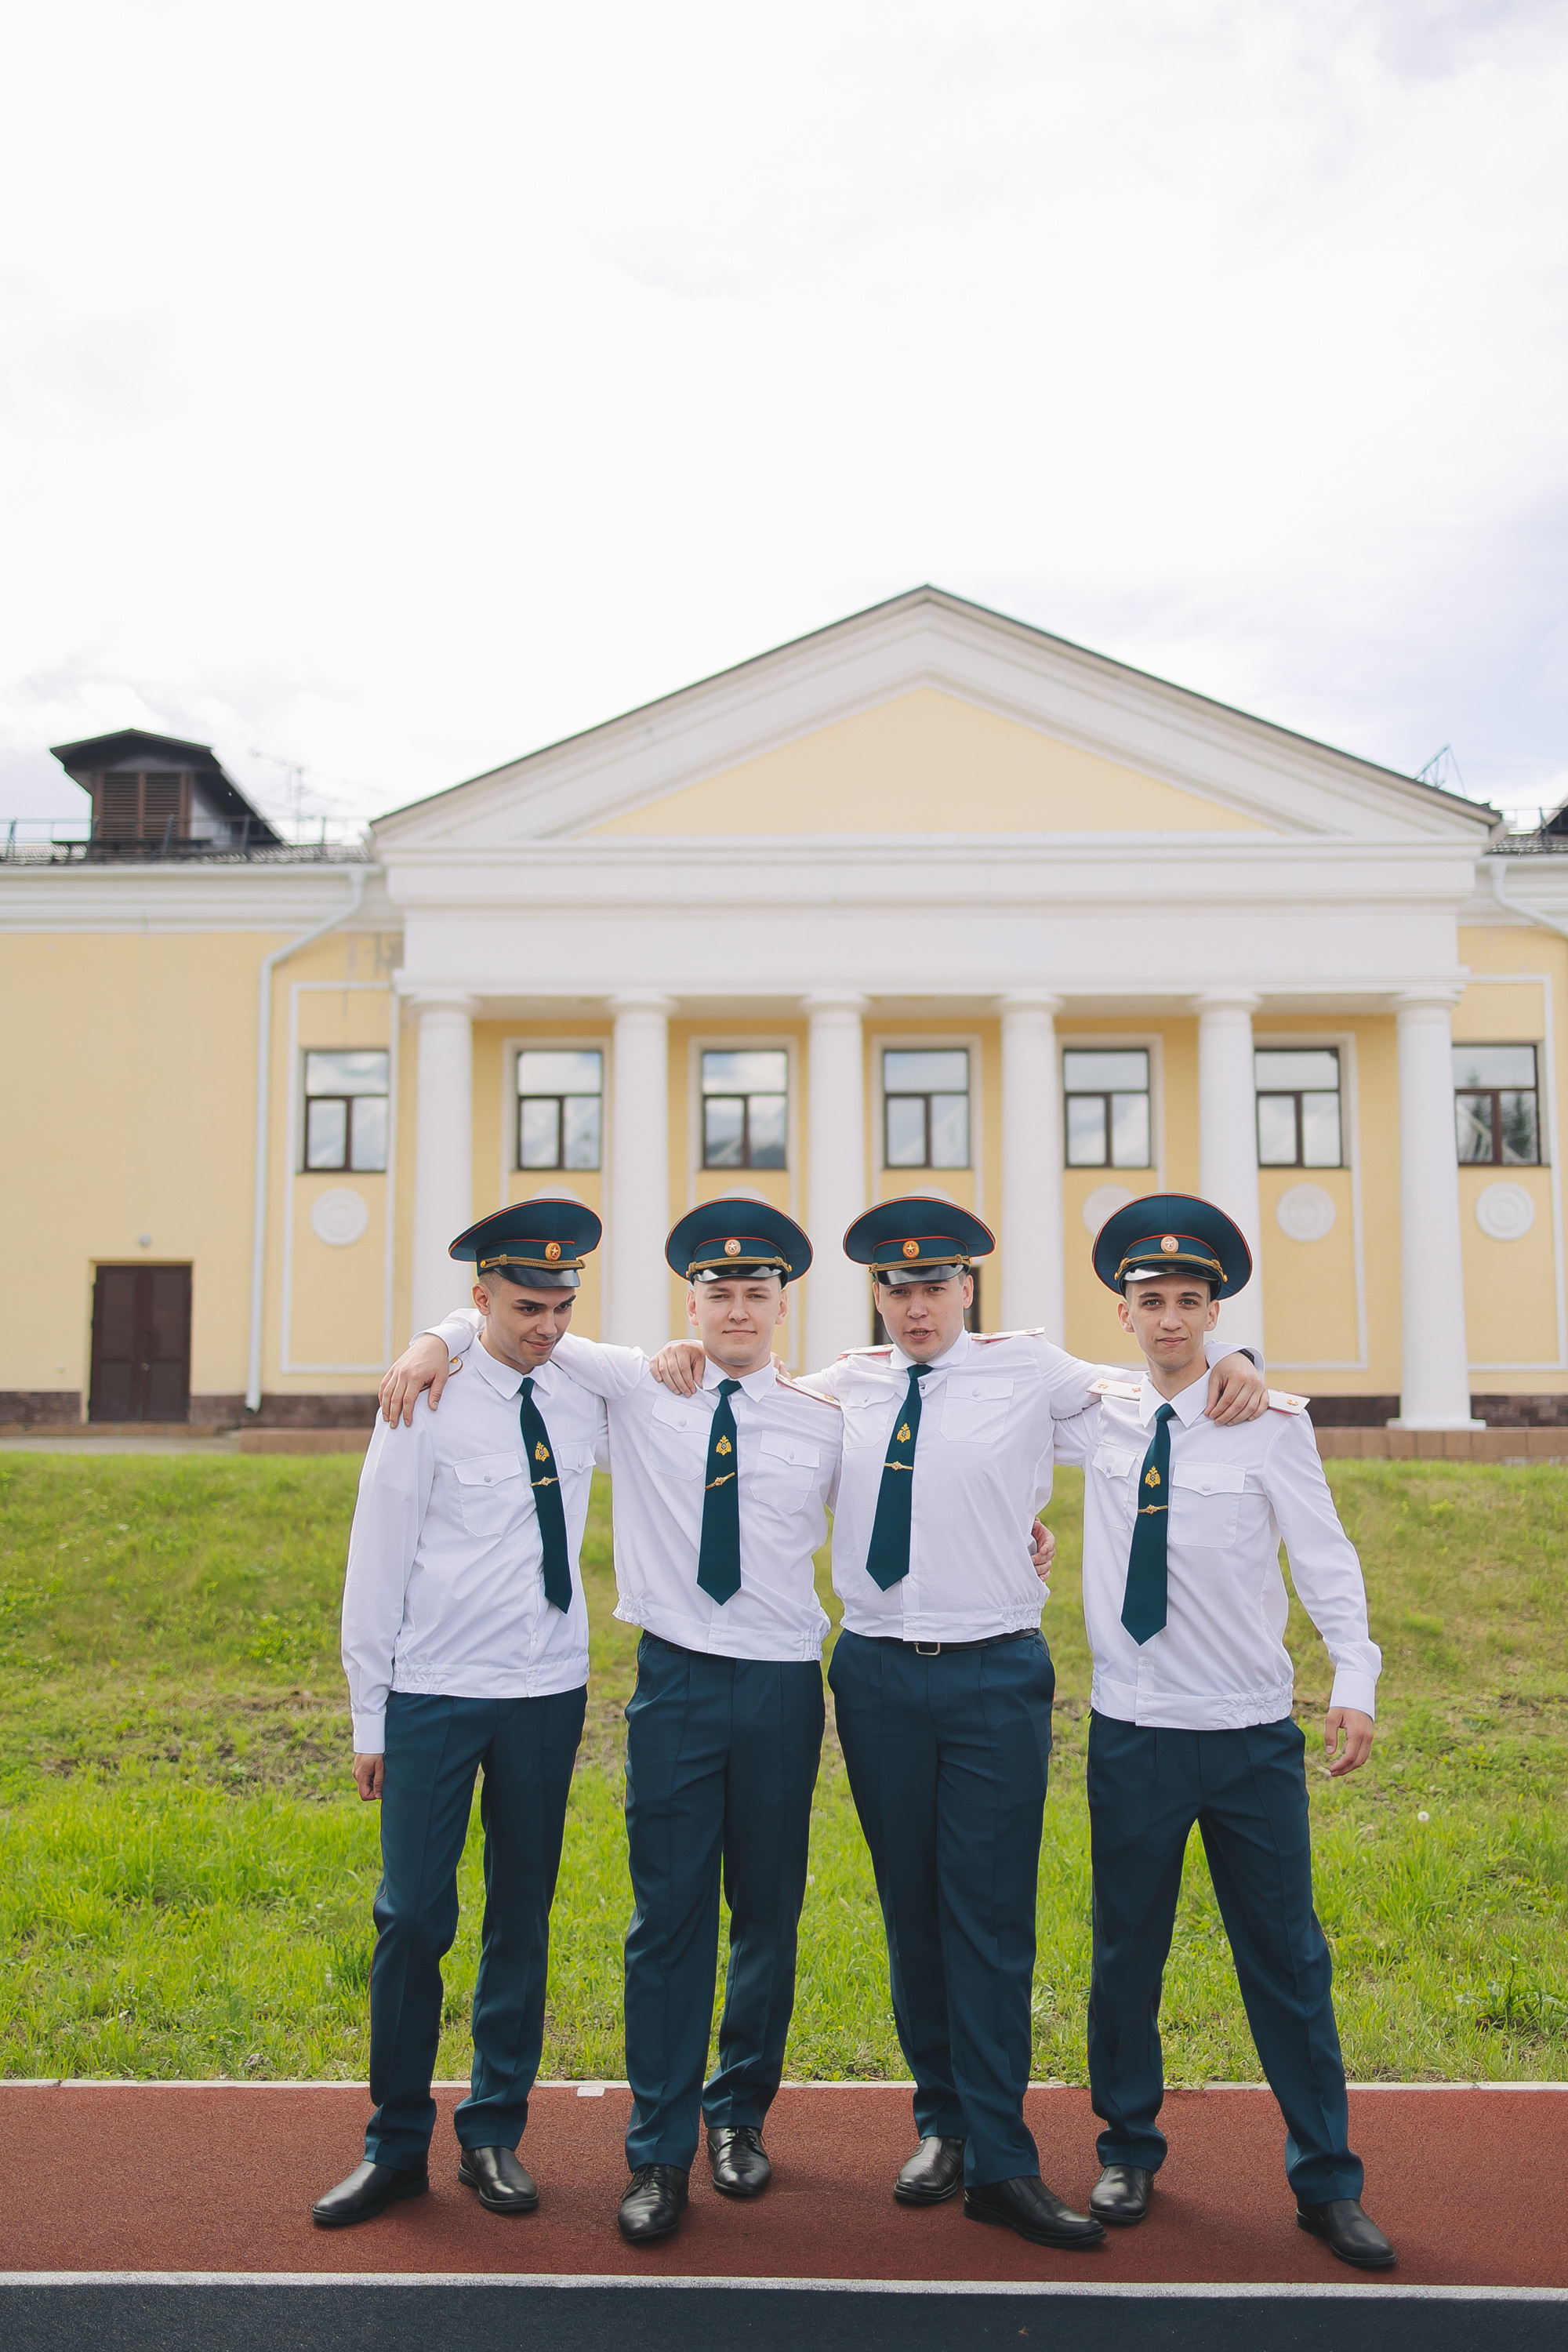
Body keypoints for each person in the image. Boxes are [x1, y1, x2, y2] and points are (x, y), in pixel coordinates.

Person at [648, 1196, 1267, 2253]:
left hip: (993, 1679)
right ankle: (944, 2126)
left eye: (935, 1284)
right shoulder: (841, 1387)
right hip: (879, 1676)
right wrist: (684, 1347)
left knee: (988, 1916)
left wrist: (1239, 1357)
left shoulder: (1031, 1371)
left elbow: (1151, 1383)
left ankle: (1004, 2157)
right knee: (913, 1912)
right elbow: (748, 1405)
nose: (917, 1304)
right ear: (874, 1295)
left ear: (969, 1288)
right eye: (897, 1287)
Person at [387, 1201, 844, 2246]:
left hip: (780, 1686)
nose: (738, 1307)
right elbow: (505, 1324)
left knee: (767, 1914)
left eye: (756, 1292)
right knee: (667, 1923)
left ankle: (739, 2118)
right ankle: (658, 2152)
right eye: (718, 1293)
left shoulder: (827, 1418)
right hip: (675, 1684)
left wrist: (1026, 1542)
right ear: (691, 1304)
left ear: (782, 1305)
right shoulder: (636, 1384)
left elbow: (912, 1508)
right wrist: (431, 1339)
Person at [1055, 1192, 1393, 2270]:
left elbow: (1326, 1559)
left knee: (1288, 1959)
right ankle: (1128, 2147)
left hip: (1249, 1739)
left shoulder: (1271, 1423)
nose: (1168, 1319)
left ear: (1213, 1312)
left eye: (1189, 1303)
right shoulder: (1091, 1411)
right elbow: (984, 1379)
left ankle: (1326, 2181)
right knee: (1127, 1954)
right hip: (1134, 1734)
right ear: (1123, 1313)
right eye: (1149, 1301)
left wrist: (1358, 1675)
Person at [311, 1201, 608, 2230]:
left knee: (520, 1916)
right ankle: (395, 2145)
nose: (549, 1325)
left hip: (545, 1694)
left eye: (564, 1305)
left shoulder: (583, 1395)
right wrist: (370, 1714)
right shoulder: (425, 1397)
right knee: (411, 1916)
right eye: (528, 1305)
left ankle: (493, 2134)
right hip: (435, 1694)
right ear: (481, 1296)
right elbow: (375, 1556)